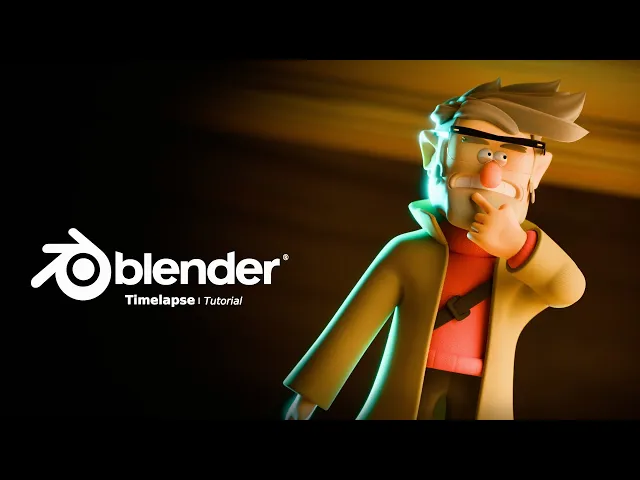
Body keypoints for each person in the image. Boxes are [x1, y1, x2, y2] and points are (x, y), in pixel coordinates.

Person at [283, 78, 588, 420]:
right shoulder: (408, 254)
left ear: (537, 170)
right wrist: (307, 396)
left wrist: (518, 246)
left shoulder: (519, 268)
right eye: (476, 148)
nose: (490, 174)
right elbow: (354, 326)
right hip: (408, 388)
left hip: (485, 396)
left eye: (507, 155)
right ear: (433, 152)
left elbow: (568, 288)